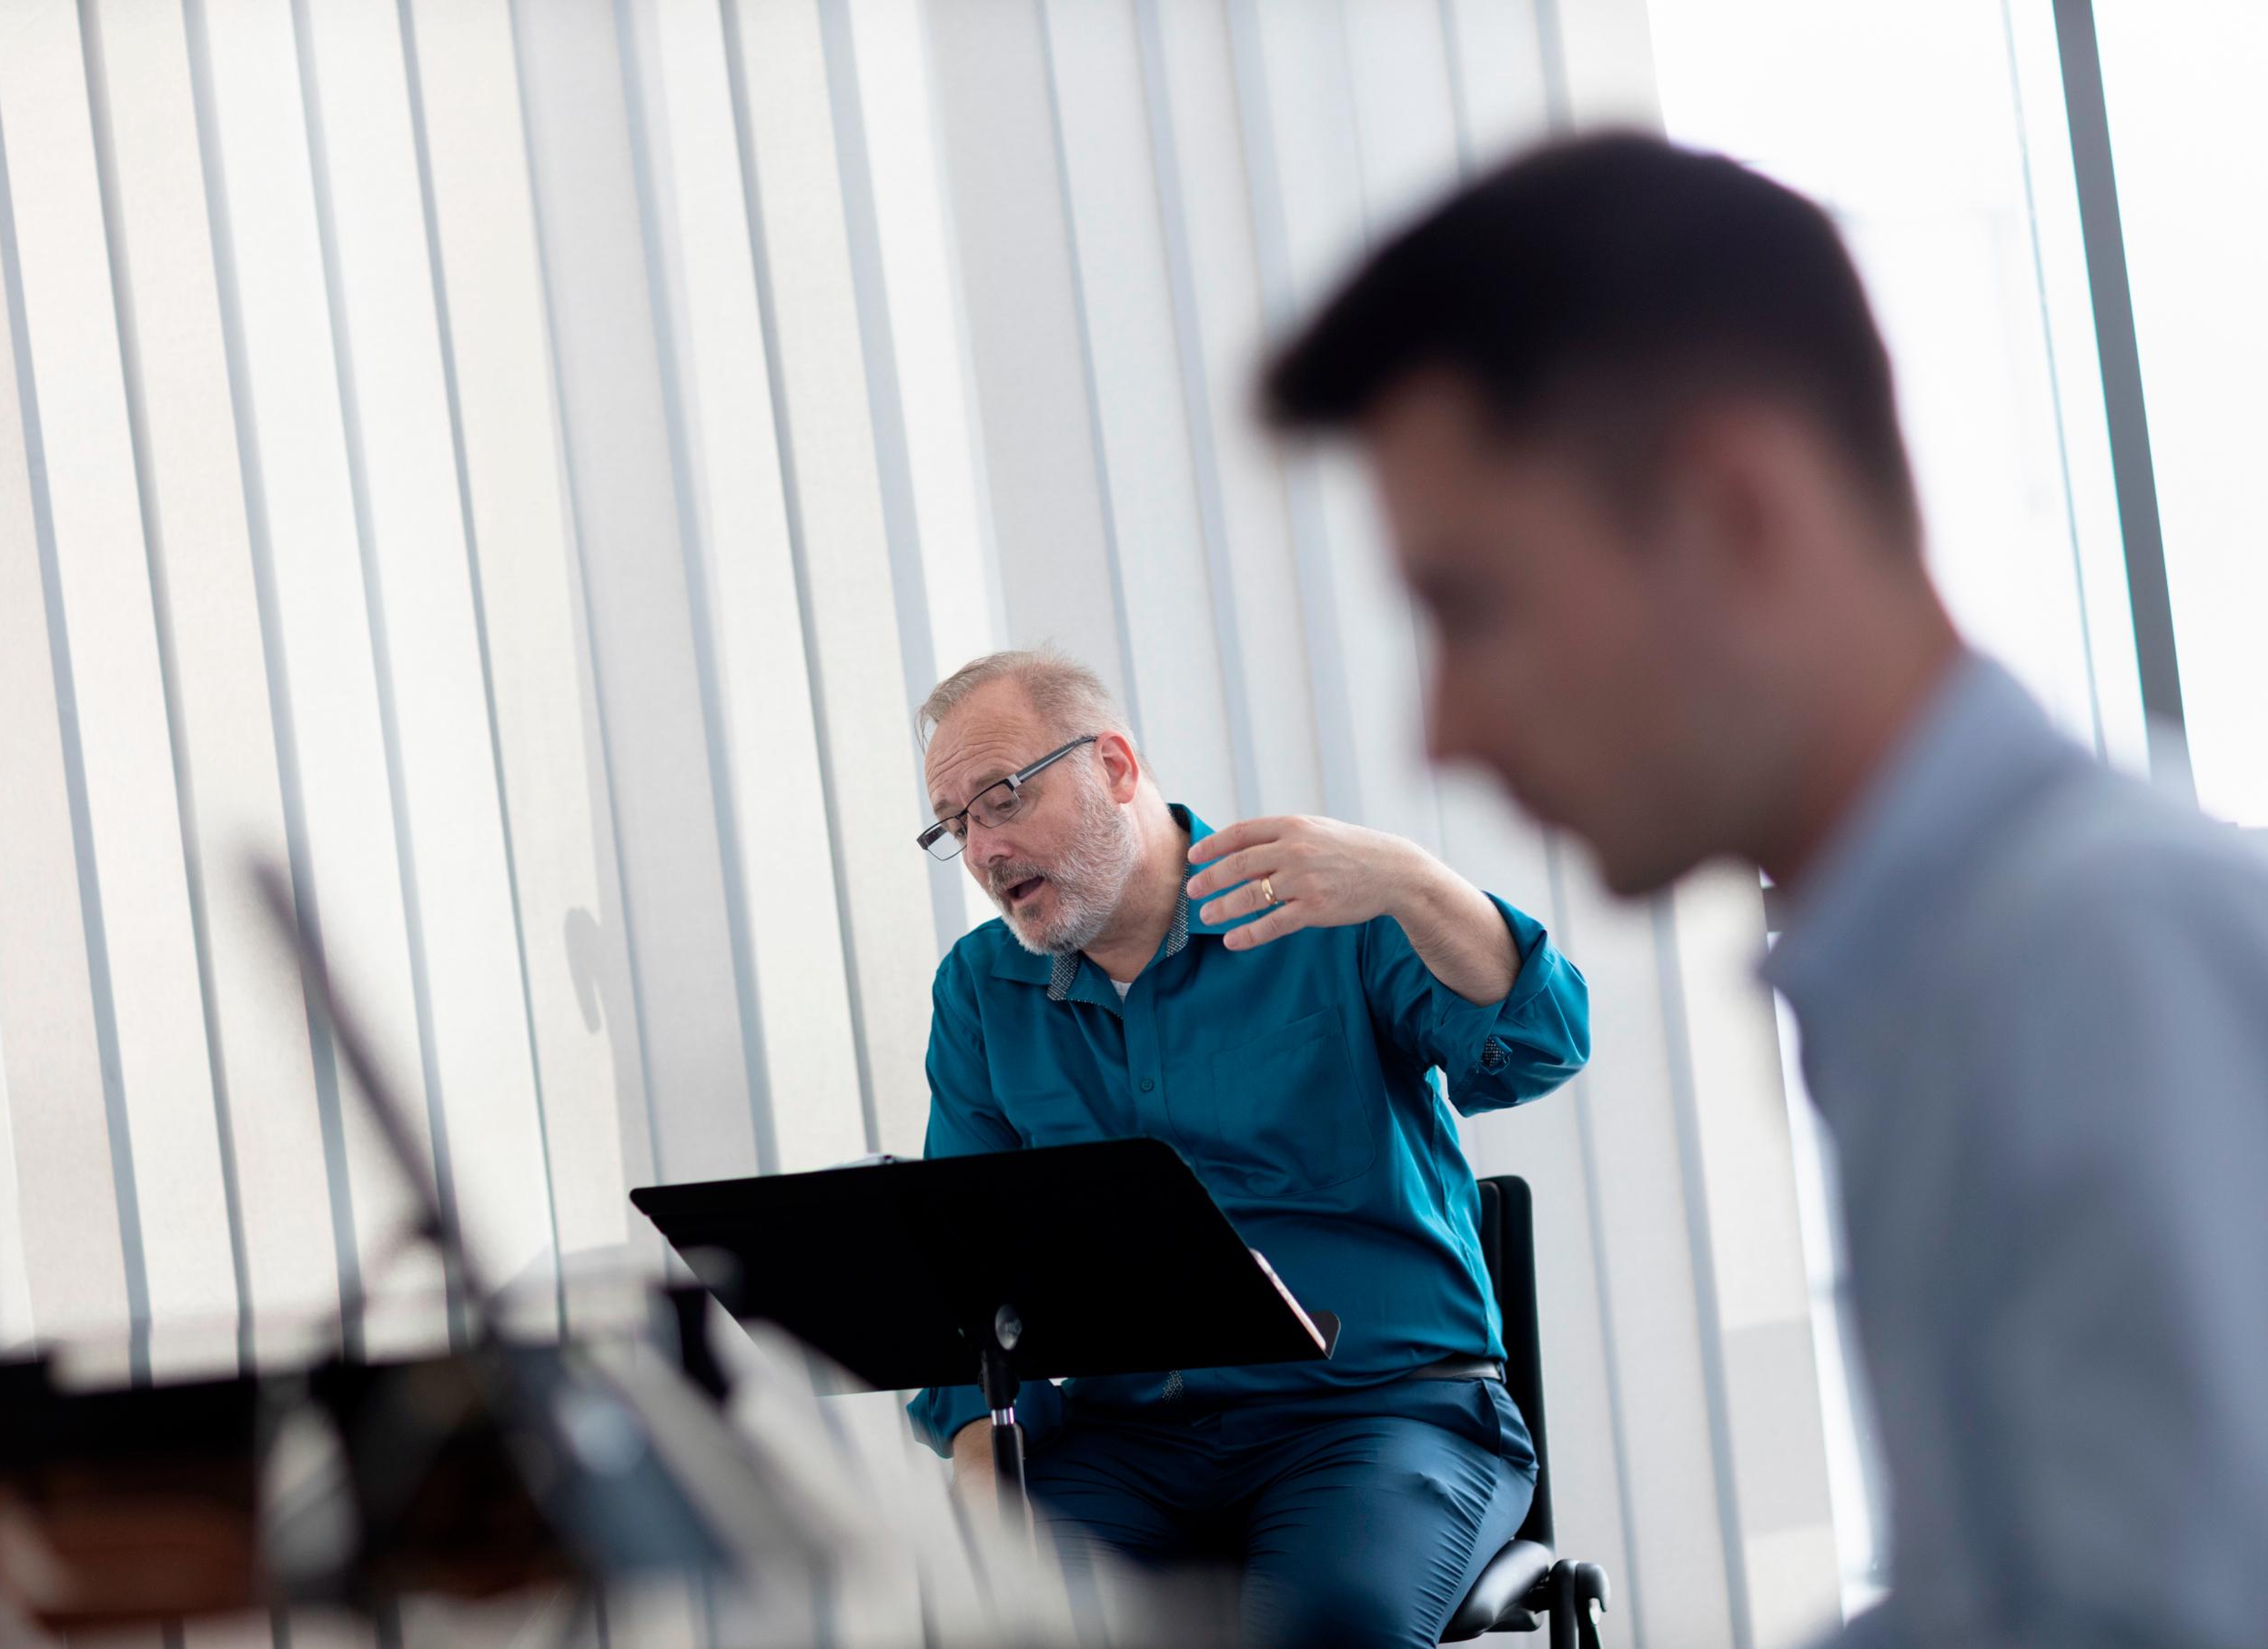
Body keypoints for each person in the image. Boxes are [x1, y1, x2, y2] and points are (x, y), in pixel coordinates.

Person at [1264, 131, 2268, 1648]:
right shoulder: (1945, 971)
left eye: (1471, 606)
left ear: (1740, 511)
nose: (1440, 727)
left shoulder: (2090, 958)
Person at [902, 649, 1588, 1648]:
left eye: (1002, 798)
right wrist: (984, 1487)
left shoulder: (1323, 903)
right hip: (1125, 1441)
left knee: (1325, 1623)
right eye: (955, 822)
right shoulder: (978, 990)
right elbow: (961, 1278)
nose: (982, 848)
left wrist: (1406, 880)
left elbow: (1536, 1046)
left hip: (1377, 1414)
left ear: (1115, 767)